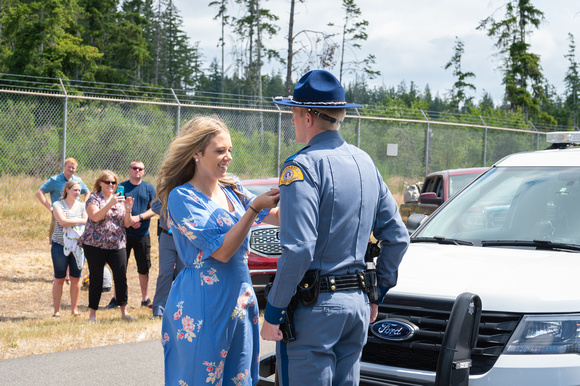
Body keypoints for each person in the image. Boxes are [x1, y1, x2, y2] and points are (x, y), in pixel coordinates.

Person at [260, 69, 410, 386]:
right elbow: (397, 237)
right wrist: (376, 292)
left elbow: (299, 248)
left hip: (314, 312)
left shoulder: (301, 166)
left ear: (309, 117)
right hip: (355, 306)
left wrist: (273, 312)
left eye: (294, 112)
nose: (291, 120)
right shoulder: (365, 163)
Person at [156, 116, 280, 385]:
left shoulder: (232, 189)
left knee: (241, 378)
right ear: (197, 153)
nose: (228, 157)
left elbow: (278, 216)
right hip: (202, 301)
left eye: (230, 150)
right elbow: (222, 252)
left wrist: (301, 194)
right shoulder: (182, 197)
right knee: (200, 378)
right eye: (220, 151)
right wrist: (254, 209)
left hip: (241, 298)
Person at [80, 170, 136, 322]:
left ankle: (124, 312)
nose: (111, 185)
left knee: (121, 277)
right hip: (95, 244)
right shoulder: (94, 198)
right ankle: (93, 314)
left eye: (113, 183)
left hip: (117, 244)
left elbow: (127, 223)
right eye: (108, 182)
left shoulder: (120, 199)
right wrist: (110, 204)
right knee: (96, 278)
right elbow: (95, 216)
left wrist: (129, 209)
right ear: (100, 184)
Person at [106, 161, 156, 309]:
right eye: (135, 168)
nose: (137, 171)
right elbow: (115, 207)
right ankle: (117, 298)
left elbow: (154, 209)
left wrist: (139, 218)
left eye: (140, 169)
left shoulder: (149, 188)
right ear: (130, 170)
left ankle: (145, 299)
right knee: (120, 267)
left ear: (143, 171)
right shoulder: (121, 187)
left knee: (144, 267)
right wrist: (128, 220)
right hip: (123, 234)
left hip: (142, 234)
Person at [50, 180, 87, 317]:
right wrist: (81, 221)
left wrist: (73, 221)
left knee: (75, 278)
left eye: (79, 190)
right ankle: (56, 311)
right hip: (60, 245)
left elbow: (85, 220)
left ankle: (74, 310)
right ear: (67, 190)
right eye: (75, 190)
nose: (77, 193)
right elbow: (62, 221)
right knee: (59, 278)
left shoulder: (83, 206)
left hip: (78, 246)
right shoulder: (57, 204)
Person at [36, 157, 89, 241]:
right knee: (58, 239)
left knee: (76, 238)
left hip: (75, 213)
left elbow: (87, 193)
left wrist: (84, 205)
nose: (71, 169)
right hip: (60, 213)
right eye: (69, 167)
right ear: (64, 166)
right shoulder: (54, 180)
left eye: (73, 168)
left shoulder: (78, 180)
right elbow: (39, 193)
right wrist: (50, 208)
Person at [150, 197, 184, 319]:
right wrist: (169, 210)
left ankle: (181, 309)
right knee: (165, 272)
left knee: (183, 274)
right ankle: (159, 310)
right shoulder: (165, 190)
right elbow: (154, 206)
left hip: (184, 237)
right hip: (167, 236)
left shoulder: (189, 186)